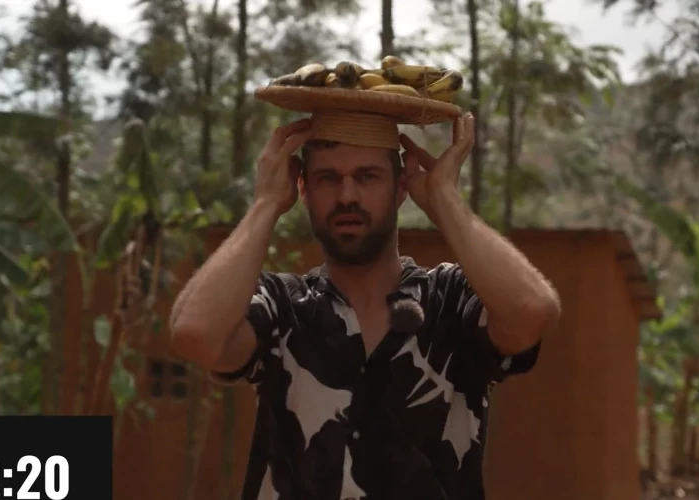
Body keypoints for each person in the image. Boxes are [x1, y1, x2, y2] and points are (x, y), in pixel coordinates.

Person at [169, 112, 560, 500]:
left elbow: (532, 312)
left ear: (401, 187)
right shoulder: (283, 307)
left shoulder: (450, 300)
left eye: (367, 176)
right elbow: (197, 335)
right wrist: (266, 203)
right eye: (328, 178)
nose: (347, 196)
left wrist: (445, 200)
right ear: (303, 189)